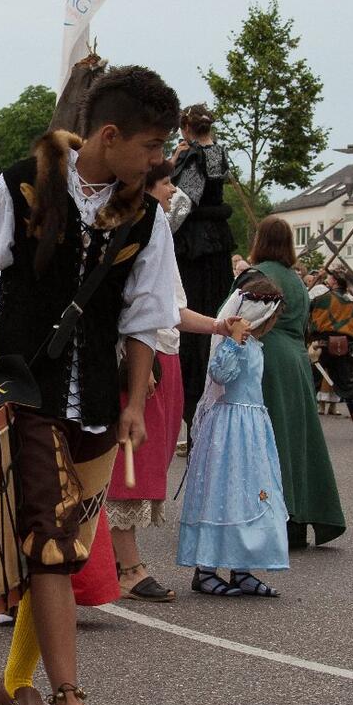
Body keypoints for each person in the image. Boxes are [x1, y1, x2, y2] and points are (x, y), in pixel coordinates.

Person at [0, 65, 183, 705]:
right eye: (152, 147)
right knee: (49, 538)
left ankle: (14, 682)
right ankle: (68, 692)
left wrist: (134, 404)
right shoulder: (27, 182)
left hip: (98, 399)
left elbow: (145, 319)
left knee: (62, 548)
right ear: (109, 135)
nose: (160, 161)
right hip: (26, 388)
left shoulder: (146, 220)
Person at [107, 160, 241, 603]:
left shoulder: (160, 232)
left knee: (152, 461)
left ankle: (118, 560)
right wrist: (131, 361)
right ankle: (127, 566)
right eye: (165, 182)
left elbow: (172, 311)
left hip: (167, 355)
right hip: (144, 362)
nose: (173, 190)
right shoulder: (130, 231)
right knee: (131, 467)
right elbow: (125, 308)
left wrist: (219, 327)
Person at [178, 276, 287, 597]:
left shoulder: (255, 345)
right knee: (223, 491)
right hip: (229, 429)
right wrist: (234, 342)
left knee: (250, 492)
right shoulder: (234, 345)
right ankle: (206, 569)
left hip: (252, 428)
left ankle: (242, 568)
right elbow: (220, 375)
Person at [241, 216, 345, 548]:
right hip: (297, 363)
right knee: (296, 441)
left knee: (270, 440)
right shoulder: (297, 281)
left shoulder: (256, 277)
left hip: (265, 358)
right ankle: (296, 520)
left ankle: (272, 518)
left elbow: (234, 321)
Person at [168, 103, 235, 442]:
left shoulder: (193, 157)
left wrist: (158, 232)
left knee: (192, 331)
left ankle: (196, 422)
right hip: (217, 247)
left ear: (185, 128)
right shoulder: (220, 153)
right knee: (213, 323)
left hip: (194, 249)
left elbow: (181, 204)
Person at [308, 266, 353, 439]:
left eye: (330, 278)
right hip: (343, 348)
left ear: (334, 281)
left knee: (311, 386)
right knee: (349, 388)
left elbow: (309, 319)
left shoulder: (322, 299)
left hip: (320, 349)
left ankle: (307, 429)